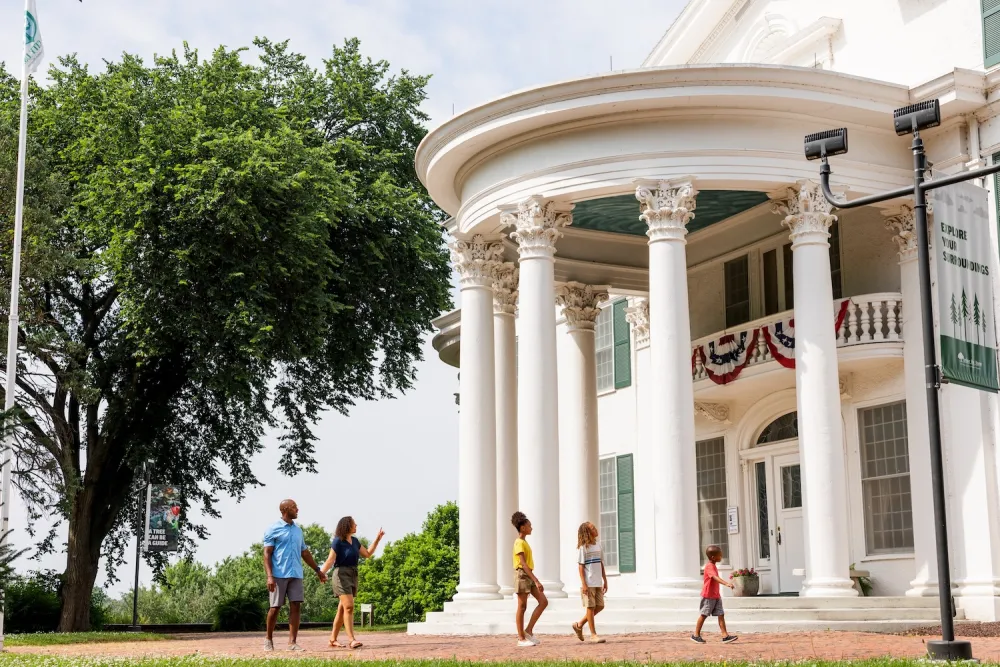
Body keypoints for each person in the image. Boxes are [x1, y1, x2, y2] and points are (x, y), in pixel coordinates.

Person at [263, 499, 327, 652]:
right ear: (285, 509)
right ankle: (268, 639)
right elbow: (267, 553)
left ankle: (292, 643)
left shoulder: (298, 530)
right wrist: (269, 576)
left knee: (296, 605)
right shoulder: (273, 528)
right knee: (275, 607)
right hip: (278, 574)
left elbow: (304, 552)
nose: (297, 509)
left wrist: (318, 570)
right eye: (294, 507)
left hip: (296, 574)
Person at [321, 516, 384, 649]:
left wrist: (378, 539)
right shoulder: (338, 541)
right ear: (347, 526)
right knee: (349, 606)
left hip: (353, 574)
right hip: (341, 575)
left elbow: (367, 554)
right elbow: (330, 560)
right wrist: (321, 573)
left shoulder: (355, 541)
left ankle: (332, 639)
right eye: (354, 524)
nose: (356, 526)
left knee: (342, 609)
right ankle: (352, 640)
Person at [512, 511, 547, 647]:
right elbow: (523, 564)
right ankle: (521, 638)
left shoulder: (524, 543)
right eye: (529, 526)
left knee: (543, 601)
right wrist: (537, 580)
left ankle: (528, 631)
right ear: (522, 528)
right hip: (522, 575)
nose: (531, 528)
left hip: (528, 574)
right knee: (522, 606)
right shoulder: (519, 543)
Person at [691, 544, 738, 644]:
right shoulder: (709, 566)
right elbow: (714, 577)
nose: (721, 557)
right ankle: (696, 635)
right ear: (713, 557)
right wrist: (726, 583)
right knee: (704, 615)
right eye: (719, 555)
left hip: (716, 596)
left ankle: (725, 636)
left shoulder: (713, 566)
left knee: (721, 614)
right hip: (708, 596)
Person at [572, 521, 607, 644]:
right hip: (589, 583)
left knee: (600, 606)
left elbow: (601, 564)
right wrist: (584, 584)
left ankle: (579, 624)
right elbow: (581, 567)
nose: (596, 528)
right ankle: (593, 634)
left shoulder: (598, 545)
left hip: (597, 582)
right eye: (593, 528)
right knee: (590, 607)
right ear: (588, 532)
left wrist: (605, 580)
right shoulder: (583, 548)